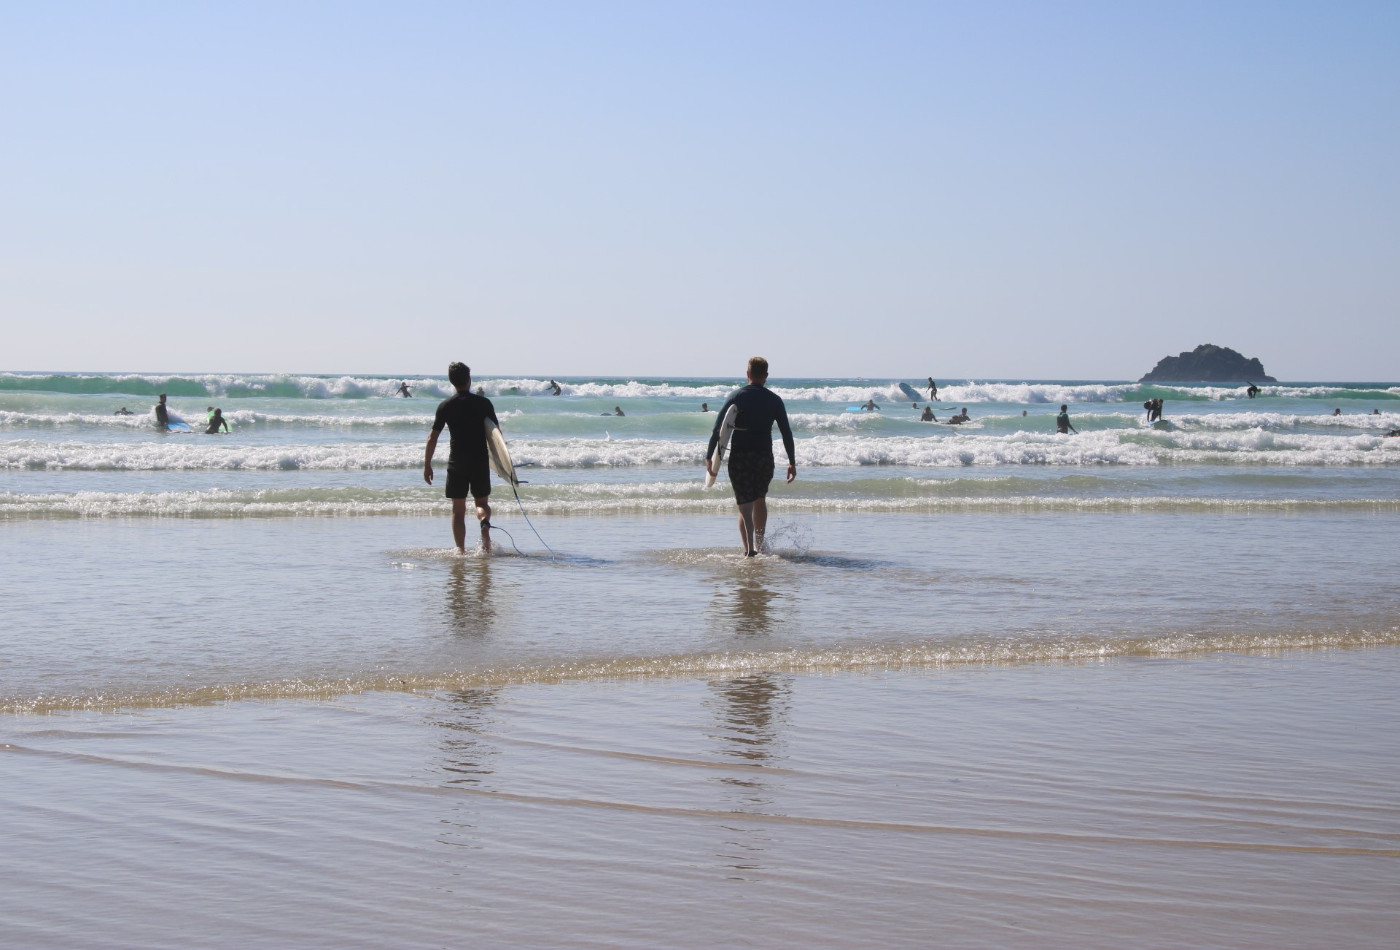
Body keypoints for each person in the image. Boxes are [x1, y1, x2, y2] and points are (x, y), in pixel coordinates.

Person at [706, 357, 796, 557]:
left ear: (747, 374)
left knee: (744, 506)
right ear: (765, 376)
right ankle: (760, 546)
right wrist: (792, 462)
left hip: (740, 457)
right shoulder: (774, 400)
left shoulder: (736, 396)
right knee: (760, 499)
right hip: (764, 458)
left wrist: (710, 455)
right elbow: (786, 433)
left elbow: (717, 429)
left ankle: (748, 551)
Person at [423, 362, 500, 554]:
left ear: (451, 382)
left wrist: (427, 465)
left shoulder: (445, 406)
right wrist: (501, 464)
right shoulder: (484, 404)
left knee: (458, 510)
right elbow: (496, 436)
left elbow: (432, 437)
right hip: (479, 461)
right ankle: (483, 522)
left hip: (457, 462)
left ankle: (460, 551)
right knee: (481, 505)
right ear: (469, 379)